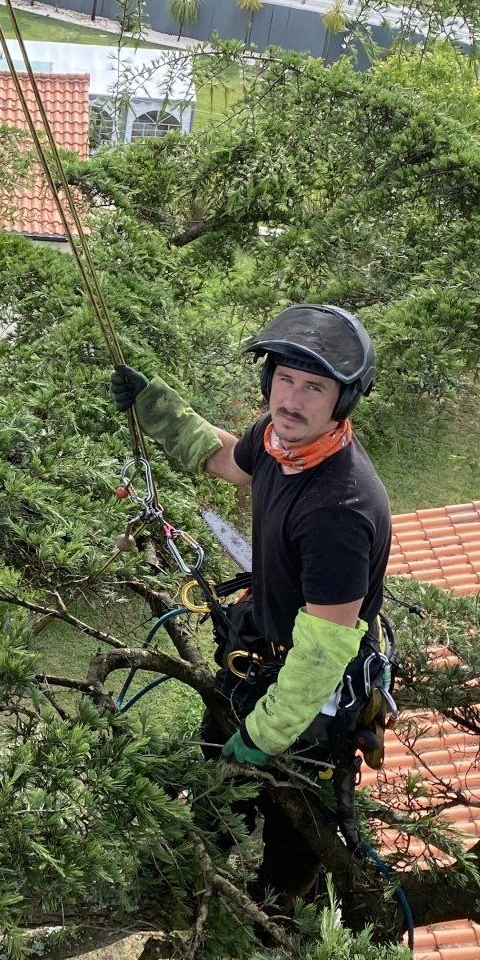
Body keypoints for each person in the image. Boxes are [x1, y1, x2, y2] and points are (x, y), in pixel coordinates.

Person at [110, 304, 391, 893]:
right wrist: (156, 407)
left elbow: (321, 656)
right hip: (259, 659)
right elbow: (228, 460)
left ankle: (277, 917)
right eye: (284, 379)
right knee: (218, 789)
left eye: (314, 388)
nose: (291, 400)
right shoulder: (279, 442)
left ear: (342, 401)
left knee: (295, 830)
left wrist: (264, 736)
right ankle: (194, 878)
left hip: (311, 702)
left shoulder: (339, 511)